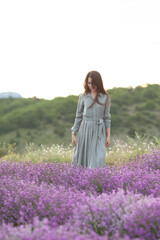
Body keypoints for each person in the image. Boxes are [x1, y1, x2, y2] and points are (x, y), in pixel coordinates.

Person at [71, 70, 111, 168]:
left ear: (98, 83)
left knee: (99, 158)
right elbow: (78, 116)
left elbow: (107, 117)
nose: (91, 85)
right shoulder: (83, 97)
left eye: (93, 83)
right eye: (89, 83)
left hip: (99, 130)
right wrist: (74, 133)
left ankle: (96, 179)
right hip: (85, 129)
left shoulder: (105, 97)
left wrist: (108, 136)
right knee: (82, 158)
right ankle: (81, 181)